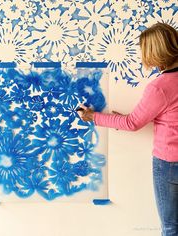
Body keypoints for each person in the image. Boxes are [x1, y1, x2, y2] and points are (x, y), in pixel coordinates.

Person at [77, 22, 178, 236]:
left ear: (156, 52)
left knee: (171, 227)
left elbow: (132, 124)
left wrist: (92, 117)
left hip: (170, 164)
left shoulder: (160, 87)